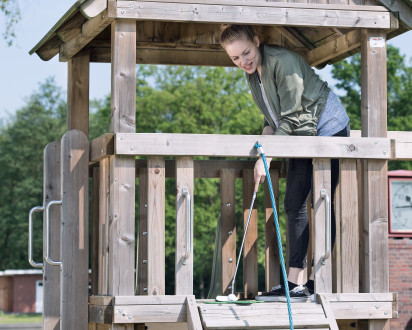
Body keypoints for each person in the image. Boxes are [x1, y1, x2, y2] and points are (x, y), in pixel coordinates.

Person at [220, 24, 350, 302]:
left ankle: (318, 280)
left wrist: (268, 155)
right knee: (293, 203)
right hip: (298, 131)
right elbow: (272, 120)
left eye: (246, 53)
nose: (243, 61)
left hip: (326, 128)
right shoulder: (253, 74)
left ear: (256, 42)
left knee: (322, 201)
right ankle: (295, 282)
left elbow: (293, 119)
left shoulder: (283, 62)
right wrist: (263, 154)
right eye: (235, 58)